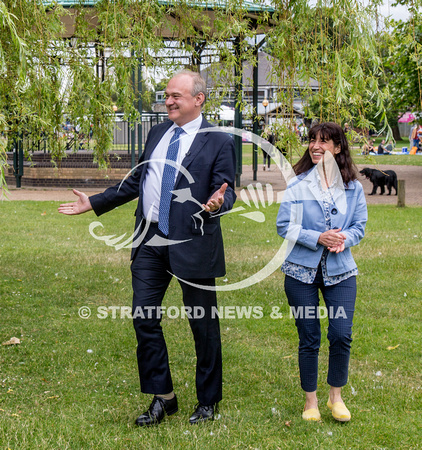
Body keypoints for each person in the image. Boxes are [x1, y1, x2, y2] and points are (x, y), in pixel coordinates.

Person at [58, 70, 236, 426]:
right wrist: (94, 202)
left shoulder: (219, 140)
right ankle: (164, 397)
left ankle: (208, 401)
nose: (167, 101)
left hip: (193, 244)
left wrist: (219, 201)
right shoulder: (158, 133)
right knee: (144, 317)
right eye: (166, 95)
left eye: (175, 96)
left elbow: (226, 188)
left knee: (203, 325)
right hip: (150, 242)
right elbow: (138, 181)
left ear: (198, 99)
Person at [276, 122, 367, 423]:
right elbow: (284, 226)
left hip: (341, 272)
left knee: (341, 334)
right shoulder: (297, 184)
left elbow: (359, 227)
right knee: (309, 336)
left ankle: (336, 398)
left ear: (338, 148)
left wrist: (343, 240)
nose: (316, 146)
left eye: (324, 141)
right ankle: (310, 402)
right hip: (300, 272)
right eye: (313, 140)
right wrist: (317, 237)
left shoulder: (353, 187)